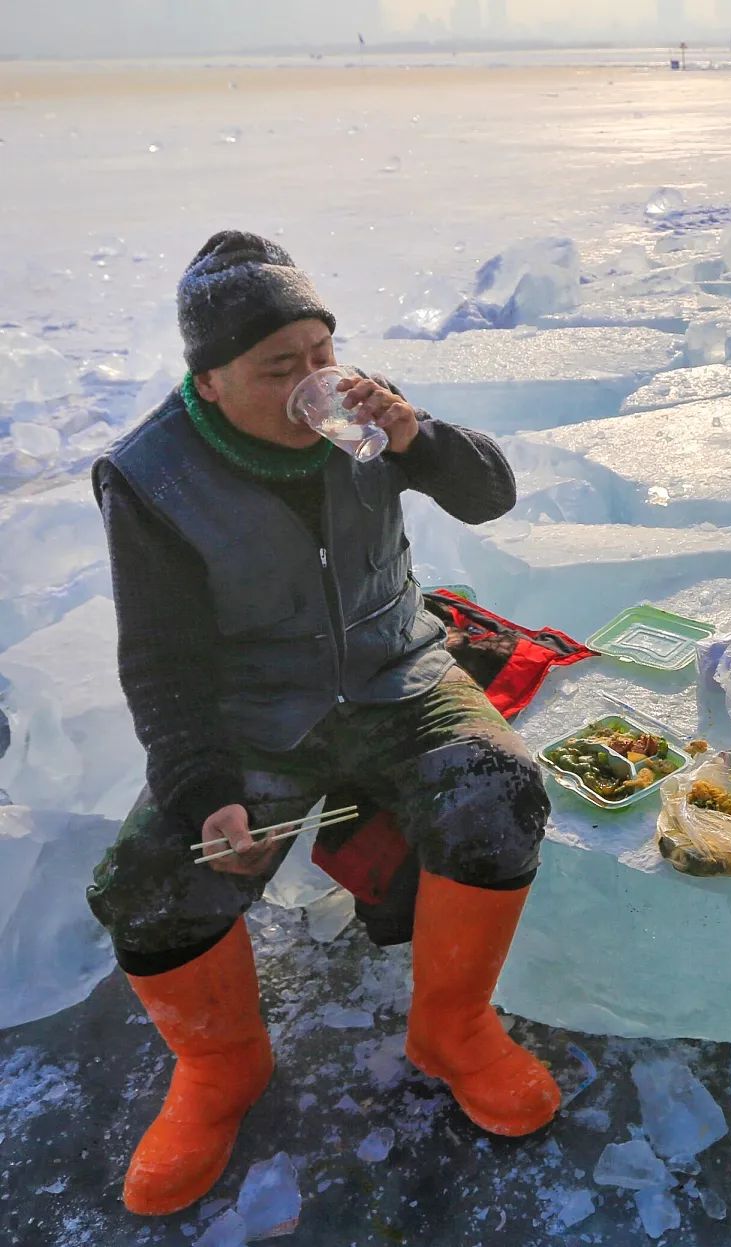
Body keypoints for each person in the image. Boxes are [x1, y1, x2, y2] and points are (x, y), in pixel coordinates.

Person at [88, 231, 561, 1217]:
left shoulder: (364, 414)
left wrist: (419, 436)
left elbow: (492, 494)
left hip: (400, 671)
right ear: (209, 381)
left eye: (320, 352)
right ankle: (222, 1071)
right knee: (145, 883)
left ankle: (452, 1025)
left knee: (500, 790)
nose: (315, 381)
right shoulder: (150, 476)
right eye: (279, 366)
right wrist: (201, 787)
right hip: (256, 711)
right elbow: (162, 661)